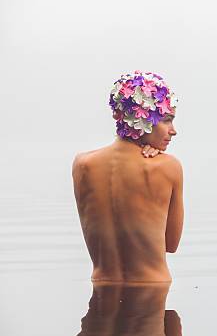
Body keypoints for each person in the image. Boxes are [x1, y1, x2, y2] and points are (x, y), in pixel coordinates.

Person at [72, 71, 183, 283]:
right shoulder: (168, 167)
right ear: (142, 119)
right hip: (152, 291)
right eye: (166, 120)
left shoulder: (82, 165)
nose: (173, 131)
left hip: (102, 290)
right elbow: (171, 244)